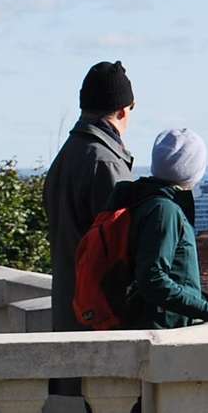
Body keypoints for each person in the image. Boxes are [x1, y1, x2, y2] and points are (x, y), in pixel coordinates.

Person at [111, 128, 208, 329]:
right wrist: (207, 310)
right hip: (162, 328)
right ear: (194, 169)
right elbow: (152, 279)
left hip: (158, 323)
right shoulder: (165, 210)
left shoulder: (146, 201)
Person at [43, 61, 137, 332]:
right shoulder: (105, 163)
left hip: (69, 310)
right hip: (98, 316)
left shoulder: (67, 155)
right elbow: (121, 247)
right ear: (122, 110)